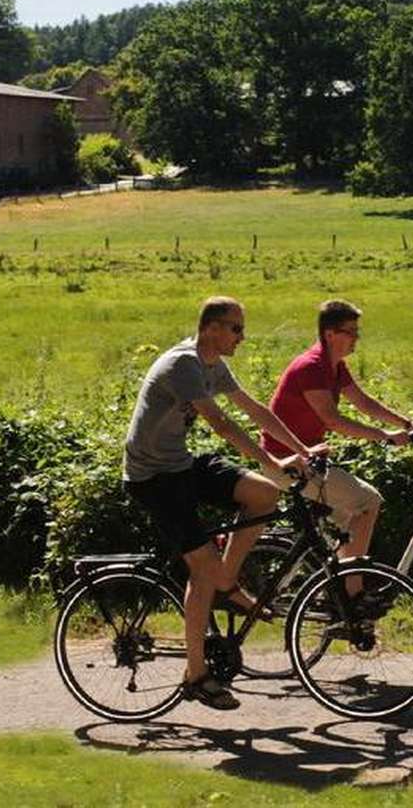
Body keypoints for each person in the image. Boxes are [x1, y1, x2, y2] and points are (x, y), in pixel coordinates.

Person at [124, 296, 315, 711]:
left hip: (180, 465)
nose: (242, 337)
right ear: (211, 327)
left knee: (264, 493)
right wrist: (271, 459)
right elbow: (222, 423)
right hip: (152, 478)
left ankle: (225, 584)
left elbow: (252, 409)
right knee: (203, 571)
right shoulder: (184, 365)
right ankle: (196, 675)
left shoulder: (213, 364)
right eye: (236, 328)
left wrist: (301, 450)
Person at [262, 299, 413, 608]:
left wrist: (406, 423)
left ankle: (334, 590)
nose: (356, 338)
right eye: (350, 332)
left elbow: (363, 402)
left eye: (357, 331)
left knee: (348, 518)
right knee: (368, 502)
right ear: (330, 334)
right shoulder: (312, 367)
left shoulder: (333, 366)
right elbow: (333, 419)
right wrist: (385, 436)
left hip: (308, 462)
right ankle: (351, 595)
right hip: (287, 464)